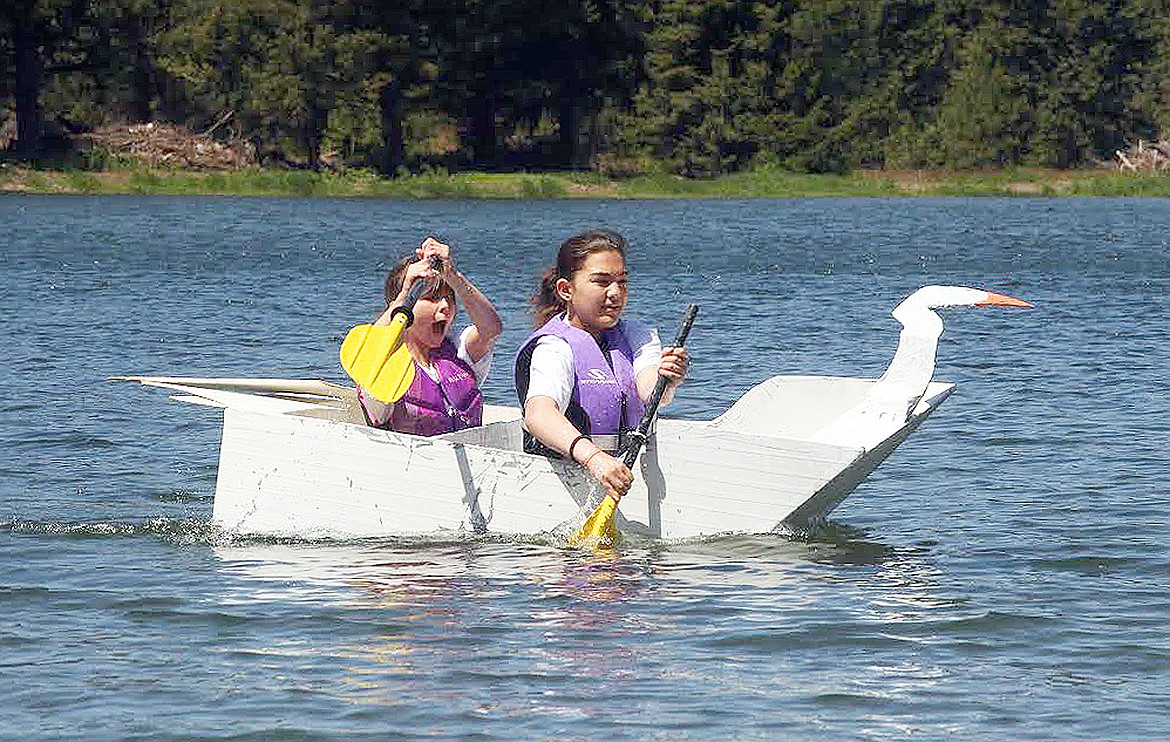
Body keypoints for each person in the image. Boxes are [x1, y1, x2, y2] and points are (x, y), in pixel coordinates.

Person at [514, 228, 690, 502]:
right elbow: (538, 415)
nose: (615, 293)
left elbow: (652, 394)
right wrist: (594, 459)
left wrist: (668, 378)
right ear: (566, 290)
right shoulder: (554, 346)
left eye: (622, 282)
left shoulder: (640, 336)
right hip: (565, 476)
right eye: (602, 282)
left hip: (623, 473)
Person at [358, 237, 502, 436]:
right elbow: (369, 359)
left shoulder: (460, 351)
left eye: (449, 297)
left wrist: (452, 275)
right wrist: (406, 291)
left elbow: (491, 329)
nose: (445, 306)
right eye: (431, 298)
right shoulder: (382, 367)